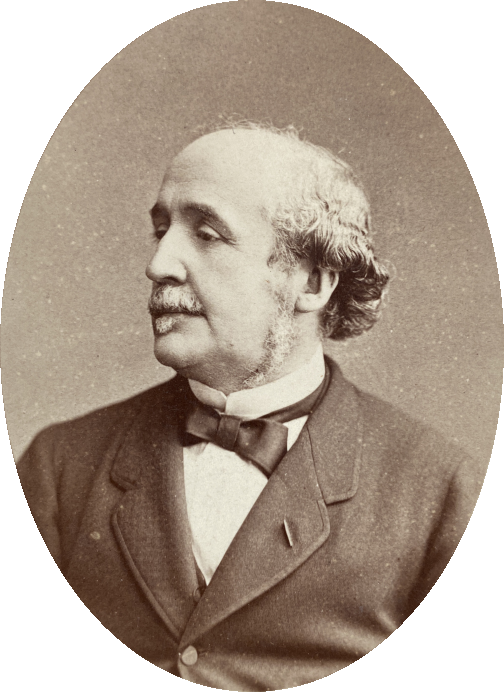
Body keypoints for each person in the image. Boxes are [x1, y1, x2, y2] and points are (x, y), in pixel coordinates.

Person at [16, 122, 486, 689]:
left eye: (207, 234)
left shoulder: (443, 493)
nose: (159, 264)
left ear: (312, 283)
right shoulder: (59, 465)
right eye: (161, 231)